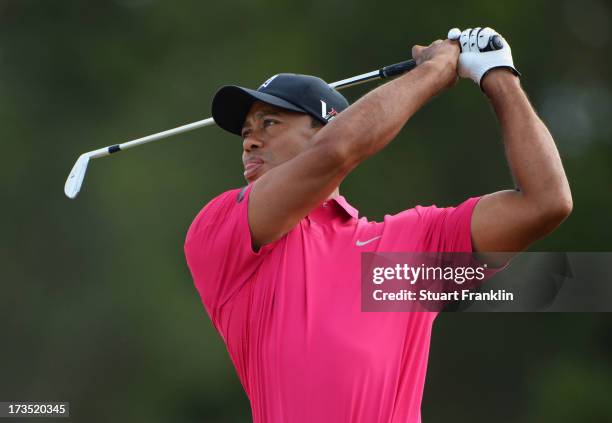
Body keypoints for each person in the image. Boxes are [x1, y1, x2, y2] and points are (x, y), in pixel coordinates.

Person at [184, 27, 572, 423]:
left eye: (269, 123)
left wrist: (497, 75)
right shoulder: (225, 230)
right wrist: (435, 71)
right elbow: (336, 151)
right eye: (246, 132)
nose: (249, 142)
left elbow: (545, 202)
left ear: (327, 126)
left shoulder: (403, 250)